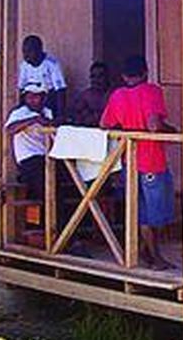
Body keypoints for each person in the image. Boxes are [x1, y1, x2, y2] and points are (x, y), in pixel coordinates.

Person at [100, 55, 175, 269]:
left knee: (140, 210)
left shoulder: (117, 95)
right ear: (146, 72)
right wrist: (172, 130)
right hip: (152, 160)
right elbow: (154, 126)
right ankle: (154, 256)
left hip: (129, 160)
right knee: (156, 213)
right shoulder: (151, 91)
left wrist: (127, 130)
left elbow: (104, 124)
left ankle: (145, 251)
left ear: (124, 76)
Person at [5, 82, 53, 200]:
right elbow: (10, 129)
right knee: (38, 189)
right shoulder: (20, 113)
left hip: (45, 156)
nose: (33, 100)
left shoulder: (47, 112)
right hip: (29, 158)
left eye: (37, 96)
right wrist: (33, 120)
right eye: (30, 97)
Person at [18, 34, 67, 119]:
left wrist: (60, 115)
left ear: (39, 50)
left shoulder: (51, 64)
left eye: (29, 51)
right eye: (24, 51)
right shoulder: (24, 66)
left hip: (47, 101)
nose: (26, 55)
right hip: (30, 102)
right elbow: (21, 89)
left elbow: (60, 91)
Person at [69, 61, 110, 127]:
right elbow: (76, 116)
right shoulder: (85, 96)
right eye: (93, 76)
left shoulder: (114, 95)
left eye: (100, 76)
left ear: (107, 77)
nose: (96, 80)